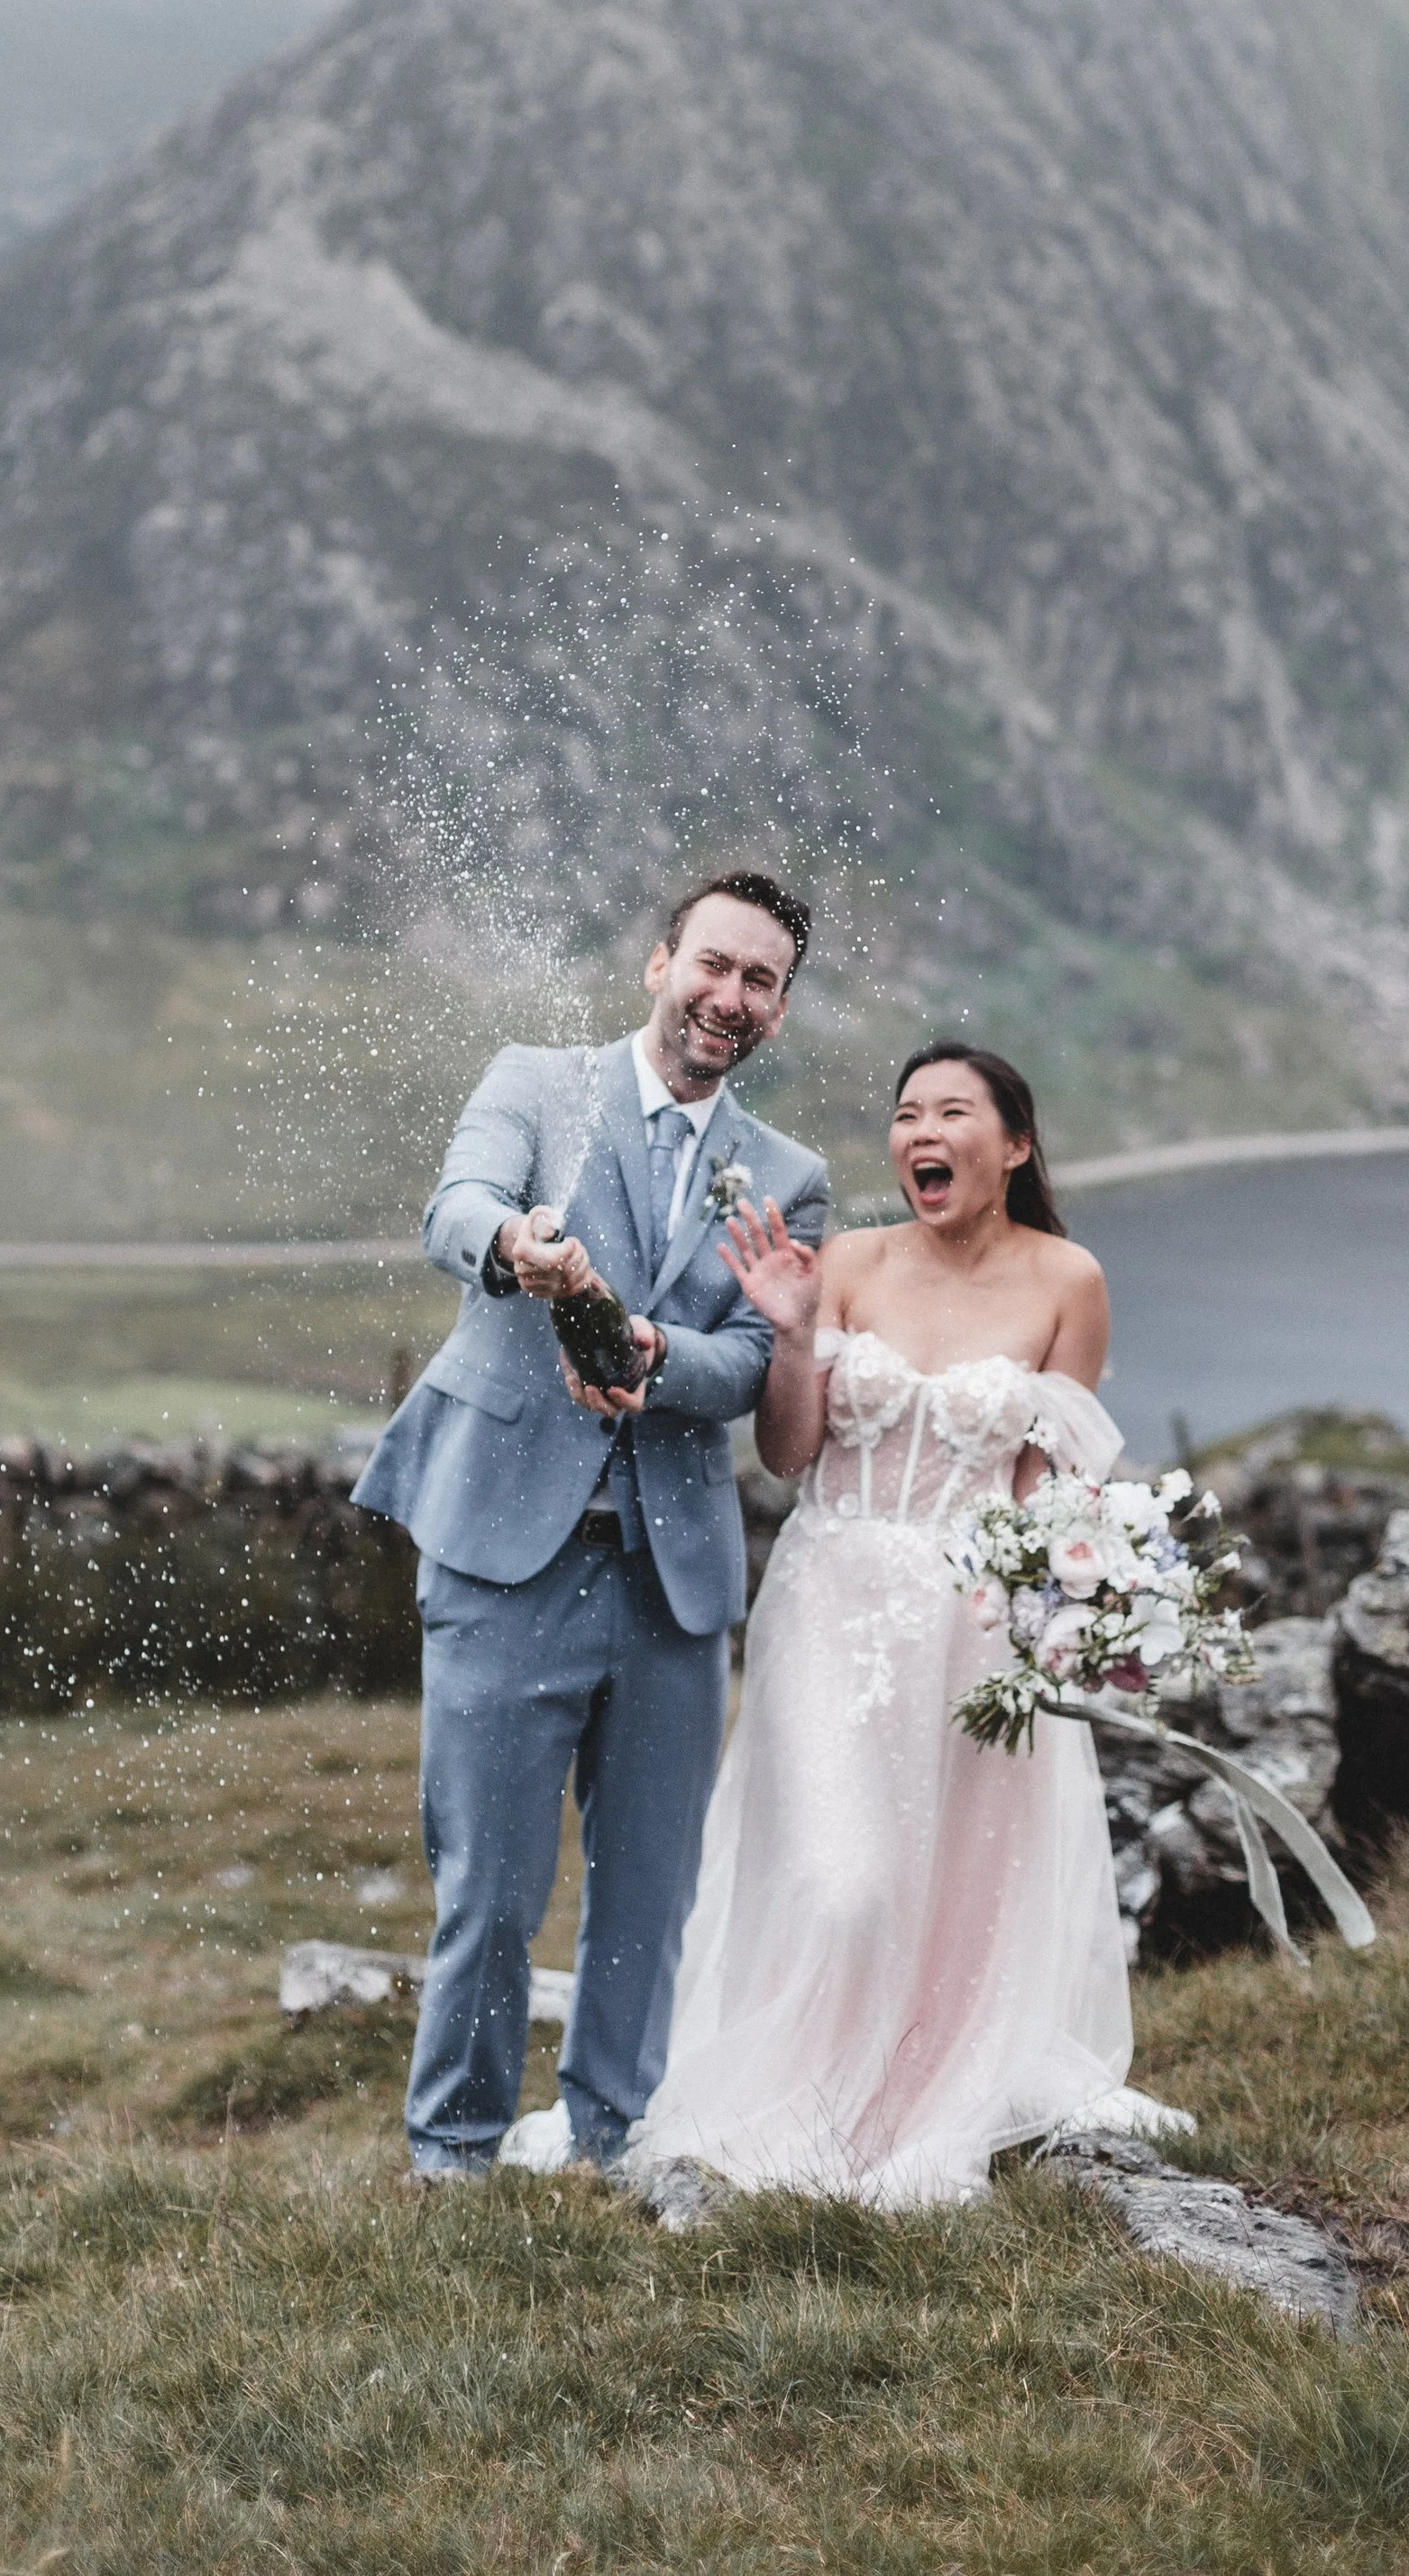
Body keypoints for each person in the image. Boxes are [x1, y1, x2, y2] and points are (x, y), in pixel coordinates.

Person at [626, 1040, 1181, 2208]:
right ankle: (804, 2100)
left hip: (975, 1621)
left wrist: (1088, 1611)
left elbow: (1052, 1494)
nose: (921, 1130)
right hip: (828, 1600)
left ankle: (923, 2087)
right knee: (845, 1879)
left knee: (956, 1885)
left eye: (952, 1111)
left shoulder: (1068, 1280)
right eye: (906, 1113)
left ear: (1014, 1144)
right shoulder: (844, 1262)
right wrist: (785, 1329)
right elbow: (786, 1456)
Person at [356, 871, 831, 2180]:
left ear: (780, 1012)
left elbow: (748, 1366)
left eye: (761, 982)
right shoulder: (535, 1080)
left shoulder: (789, 1174)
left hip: (674, 1583)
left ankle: (614, 2139)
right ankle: (451, 2153)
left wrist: (656, 1348)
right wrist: (524, 1242)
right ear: (660, 961)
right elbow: (452, 1208)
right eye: (714, 965)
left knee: (648, 1894)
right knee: (492, 1885)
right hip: (504, 1548)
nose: (728, 997)